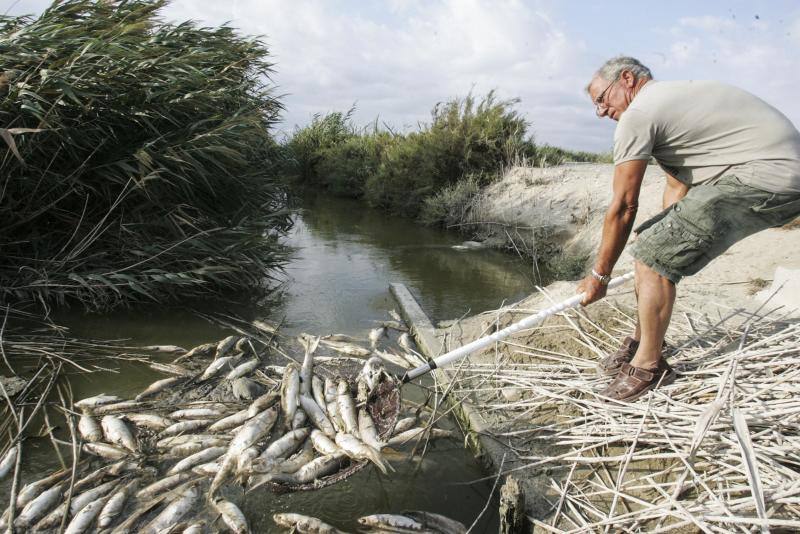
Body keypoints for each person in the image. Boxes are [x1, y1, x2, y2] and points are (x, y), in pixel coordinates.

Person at [578, 56, 800, 402]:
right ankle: (643, 340)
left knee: (652, 256)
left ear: (627, 79)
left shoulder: (639, 115)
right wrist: (659, 241)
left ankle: (649, 367)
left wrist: (600, 275)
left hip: (766, 176)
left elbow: (623, 206)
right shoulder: (671, 106)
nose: (601, 112)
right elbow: (676, 190)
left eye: (602, 99)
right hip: (781, 175)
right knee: (651, 246)